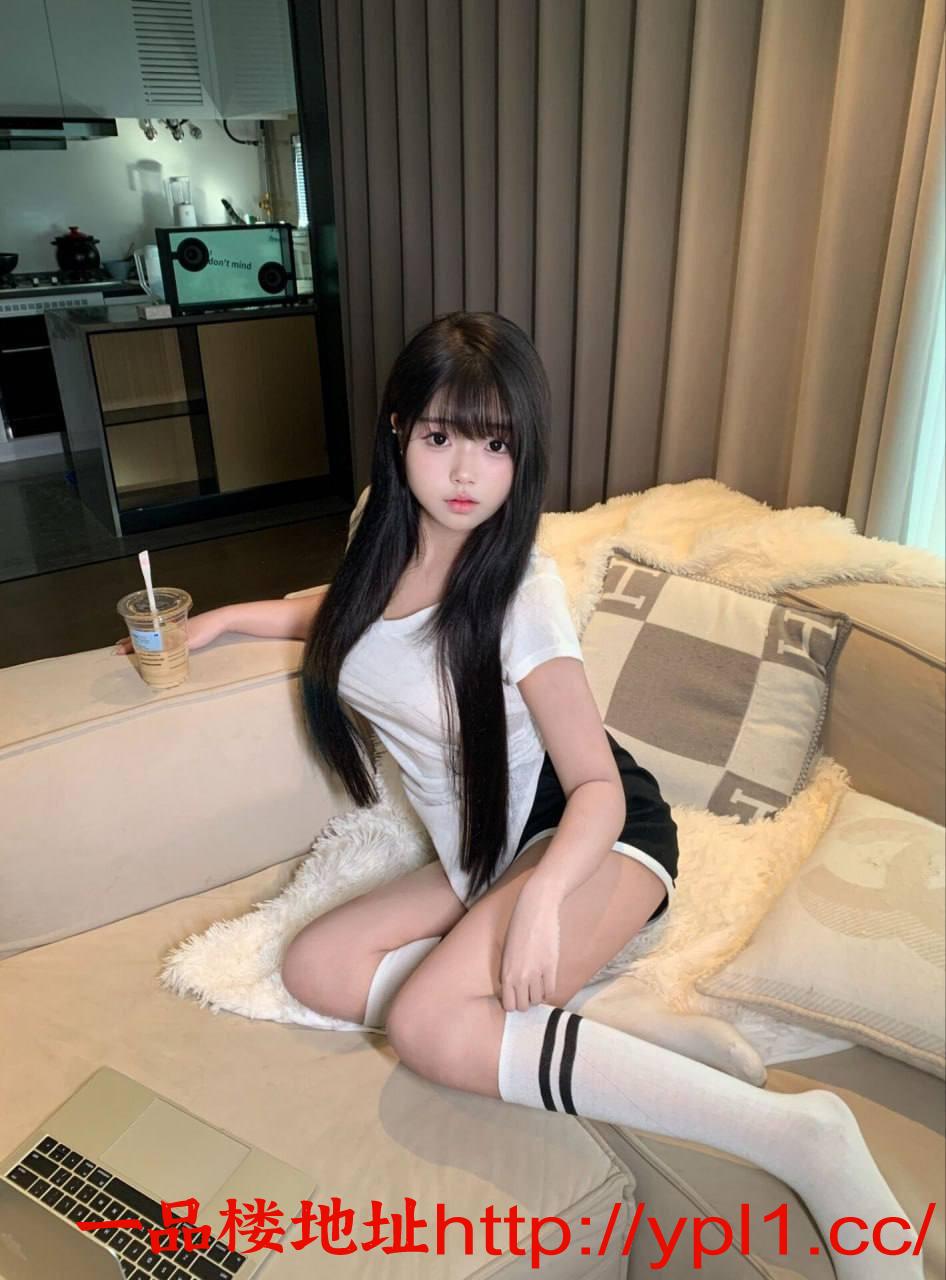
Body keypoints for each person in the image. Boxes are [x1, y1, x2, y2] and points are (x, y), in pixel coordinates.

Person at [115, 312, 923, 1277]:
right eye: (442, 437)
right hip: (483, 844)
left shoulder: (520, 592)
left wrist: (541, 902)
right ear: (399, 428)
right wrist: (221, 624)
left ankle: (804, 1138)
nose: (467, 472)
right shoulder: (382, 538)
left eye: (496, 445)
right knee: (316, 966)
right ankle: (602, 1015)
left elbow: (596, 785)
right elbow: (349, 613)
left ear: (522, 453)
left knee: (429, 1024)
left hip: (589, 833)